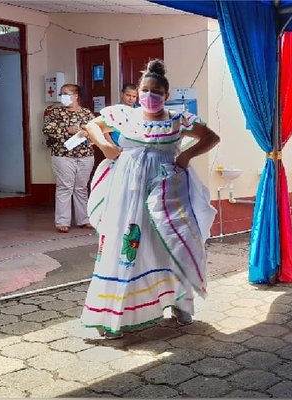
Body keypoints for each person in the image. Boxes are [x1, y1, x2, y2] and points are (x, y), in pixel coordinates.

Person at [79, 60, 220, 338]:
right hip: (127, 193)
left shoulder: (179, 120)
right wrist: (106, 146)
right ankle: (113, 314)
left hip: (166, 192)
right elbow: (93, 125)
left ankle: (179, 302)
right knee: (125, 247)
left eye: (156, 91)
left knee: (169, 244)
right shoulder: (125, 115)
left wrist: (186, 155)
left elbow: (211, 137)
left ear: (166, 95)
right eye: (145, 89)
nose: (149, 95)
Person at [43, 83, 96, 233]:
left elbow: (96, 129)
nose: (63, 97)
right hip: (63, 155)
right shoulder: (55, 112)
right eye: (61, 94)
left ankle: (84, 219)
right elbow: (47, 129)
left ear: (76, 96)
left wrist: (87, 132)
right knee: (64, 187)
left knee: (81, 188)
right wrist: (68, 130)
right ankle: (62, 222)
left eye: (66, 93)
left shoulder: (86, 113)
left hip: (85, 155)